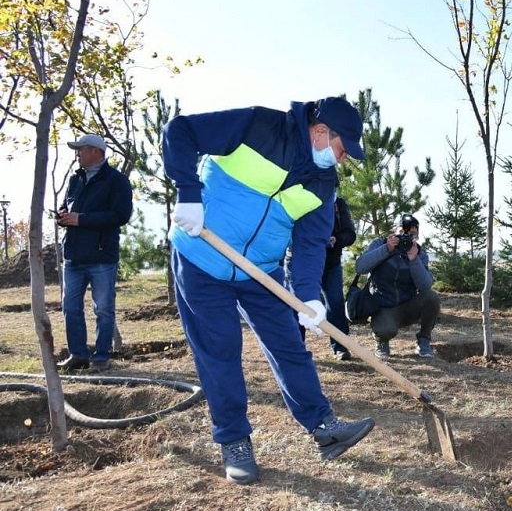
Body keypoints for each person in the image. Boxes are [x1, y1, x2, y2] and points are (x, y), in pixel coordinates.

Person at [163, 96, 375, 485]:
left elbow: (311, 243)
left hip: (261, 273)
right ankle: (235, 442)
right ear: (321, 131)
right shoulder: (259, 127)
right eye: (342, 149)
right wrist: (188, 193)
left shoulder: (323, 183)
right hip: (202, 259)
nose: (342, 160)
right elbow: (181, 131)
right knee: (220, 352)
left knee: (290, 347)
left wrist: (309, 295)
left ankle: (324, 427)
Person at [55, 134, 133, 373]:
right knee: (70, 307)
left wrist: (81, 219)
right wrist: (64, 216)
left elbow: (120, 216)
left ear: (96, 152)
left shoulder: (116, 181)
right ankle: (78, 355)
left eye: (81, 150)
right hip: (74, 256)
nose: (77, 154)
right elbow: (71, 208)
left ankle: (101, 357)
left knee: (103, 309)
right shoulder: (75, 179)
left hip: (101, 257)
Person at [355, 214, 440, 360]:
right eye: (402, 232)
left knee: (431, 298)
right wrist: (387, 249)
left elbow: (425, 286)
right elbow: (360, 268)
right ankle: (382, 341)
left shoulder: (420, 253)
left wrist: (414, 260)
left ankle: (424, 341)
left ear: (417, 236)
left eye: (412, 234)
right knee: (386, 330)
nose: (406, 237)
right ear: (394, 231)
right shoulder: (380, 244)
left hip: (408, 305)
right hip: (383, 305)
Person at [296, 196, 356, 360]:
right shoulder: (301, 197)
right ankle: (296, 349)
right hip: (302, 264)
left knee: (335, 304)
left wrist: (337, 239)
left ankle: (341, 347)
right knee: (296, 305)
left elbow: (350, 234)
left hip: (331, 264)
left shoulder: (339, 204)